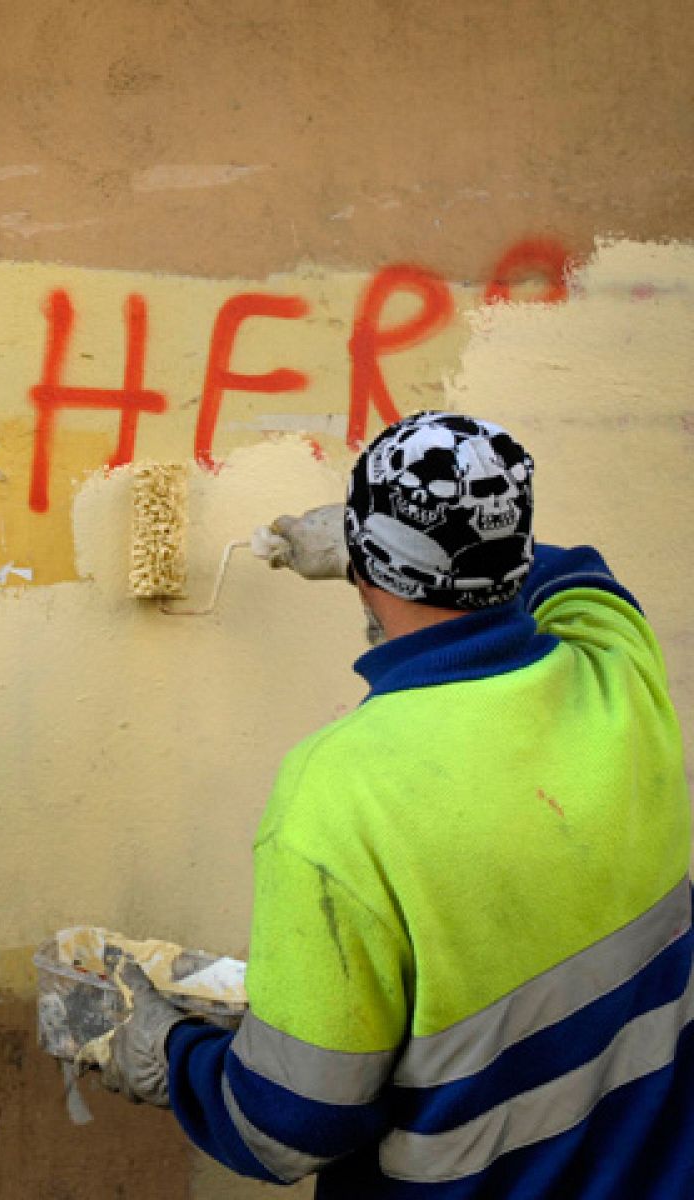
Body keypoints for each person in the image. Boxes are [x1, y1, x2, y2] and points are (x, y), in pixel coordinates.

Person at [77, 411, 694, 1196]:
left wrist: (159, 1051)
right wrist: (384, 544)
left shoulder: (339, 793)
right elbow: (572, 570)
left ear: (366, 571)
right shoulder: (617, 667)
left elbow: (288, 1127)